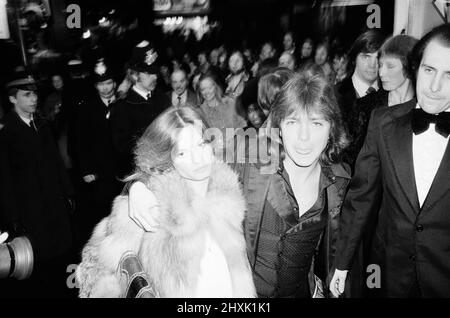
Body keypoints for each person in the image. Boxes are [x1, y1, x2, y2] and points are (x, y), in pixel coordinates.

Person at [76, 107, 256, 298]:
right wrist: (137, 186)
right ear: (166, 158)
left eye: (201, 144)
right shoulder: (152, 206)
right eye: (182, 153)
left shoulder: (229, 193)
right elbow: (94, 270)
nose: (198, 159)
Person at [330, 24, 450, 298]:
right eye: (429, 70)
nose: (434, 86)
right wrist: (341, 263)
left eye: (449, 75)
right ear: (416, 68)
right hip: (388, 276)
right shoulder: (383, 122)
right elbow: (361, 198)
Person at [0, 72, 74, 297]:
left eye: (35, 94)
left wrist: (68, 193)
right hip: (30, 210)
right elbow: (4, 179)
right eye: (27, 95)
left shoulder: (42, 124)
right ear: (13, 99)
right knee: (39, 266)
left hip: (54, 204)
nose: (34, 99)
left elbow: (57, 163)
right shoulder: (7, 133)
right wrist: (13, 217)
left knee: (63, 256)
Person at [74, 58, 122, 245]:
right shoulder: (87, 108)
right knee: (103, 214)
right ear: (95, 86)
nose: (105, 88)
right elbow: (81, 141)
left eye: (108, 82)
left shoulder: (123, 103)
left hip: (122, 169)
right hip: (100, 172)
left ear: (115, 83)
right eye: (101, 84)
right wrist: (86, 169)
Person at [110, 41, 170, 178]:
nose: (155, 77)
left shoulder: (163, 98)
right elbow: (122, 146)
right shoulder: (122, 106)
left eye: (155, 73)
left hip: (166, 171)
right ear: (135, 75)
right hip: (139, 176)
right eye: (149, 74)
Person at [196, 73, 246, 150]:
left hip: (237, 148)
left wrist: (236, 136)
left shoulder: (230, 103)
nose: (206, 92)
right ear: (200, 92)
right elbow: (200, 139)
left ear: (215, 87)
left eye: (209, 87)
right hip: (216, 155)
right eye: (203, 89)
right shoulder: (199, 113)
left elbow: (242, 124)